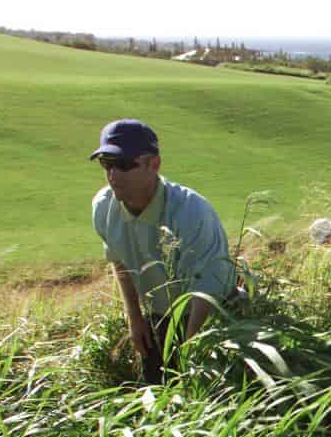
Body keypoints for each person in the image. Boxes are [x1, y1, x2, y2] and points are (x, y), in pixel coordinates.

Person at [90, 119, 235, 383]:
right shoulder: (103, 207)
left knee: (203, 396)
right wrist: (134, 319)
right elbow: (121, 263)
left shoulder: (192, 212)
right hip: (156, 316)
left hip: (210, 316)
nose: (113, 175)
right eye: (106, 164)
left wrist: (191, 349)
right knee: (158, 393)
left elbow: (207, 288)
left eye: (123, 165)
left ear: (153, 164)